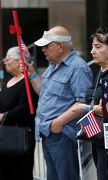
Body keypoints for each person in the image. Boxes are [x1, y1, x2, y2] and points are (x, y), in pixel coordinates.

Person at [27, 26, 93, 180]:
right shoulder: (53, 65)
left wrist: (57, 123)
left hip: (63, 135)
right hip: (49, 133)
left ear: (60, 46)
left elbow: (82, 104)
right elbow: (44, 92)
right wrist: (31, 74)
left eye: (47, 45)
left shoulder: (77, 68)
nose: (43, 49)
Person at [71, 26, 108, 180]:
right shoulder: (101, 70)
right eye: (93, 46)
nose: (93, 51)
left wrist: (85, 108)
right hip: (98, 138)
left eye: (98, 46)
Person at [0, 46, 38, 180]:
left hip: (19, 138)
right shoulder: (7, 83)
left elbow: (27, 108)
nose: (5, 62)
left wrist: (3, 116)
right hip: (3, 139)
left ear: (19, 61)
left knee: (18, 173)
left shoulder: (27, 83)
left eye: (8, 59)